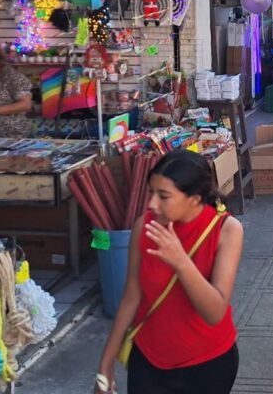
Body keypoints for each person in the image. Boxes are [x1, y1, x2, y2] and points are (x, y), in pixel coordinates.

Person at [94, 150, 244, 394]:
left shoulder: (227, 230)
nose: (152, 204)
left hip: (208, 365)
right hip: (149, 361)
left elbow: (215, 312)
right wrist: (105, 365)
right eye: (151, 192)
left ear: (194, 199)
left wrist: (180, 262)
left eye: (163, 196)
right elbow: (131, 298)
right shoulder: (145, 226)